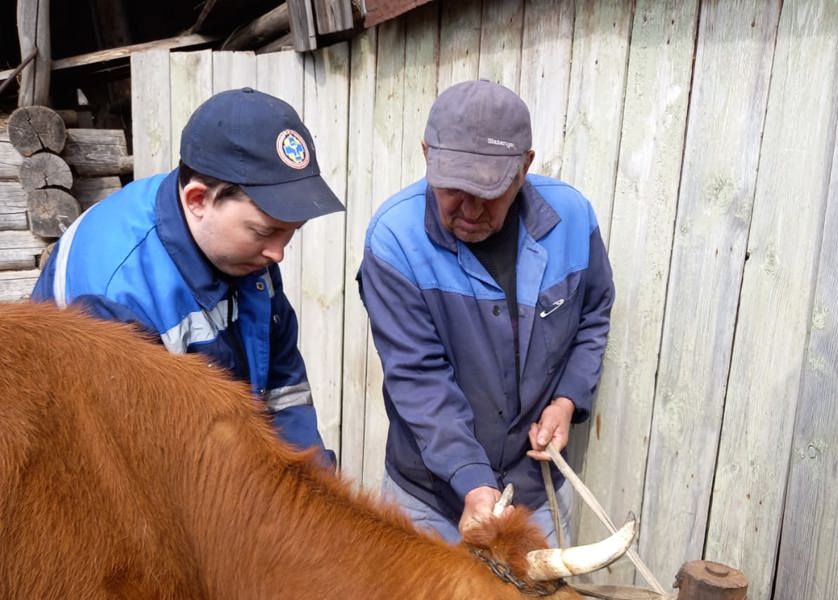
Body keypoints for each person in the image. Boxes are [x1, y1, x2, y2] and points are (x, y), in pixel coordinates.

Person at [357, 79, 615, 544]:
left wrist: (566, 400)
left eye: (491, 190)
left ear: (525, 166)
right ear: (426, 155)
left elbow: (593, 314)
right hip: (429, 501)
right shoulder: (394, 241)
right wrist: (472, 482)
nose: (471, 209)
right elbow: (420, 379)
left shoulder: (573, 221)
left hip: (537, 497)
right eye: (454, 187)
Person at [32, 87, 344, 462]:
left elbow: (284, 387)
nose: (278, 253)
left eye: (292, 232)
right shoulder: (113, 294)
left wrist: (313, 488)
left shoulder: (243, 253)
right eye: (263, 232)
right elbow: (143, 464)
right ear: (197, 200)